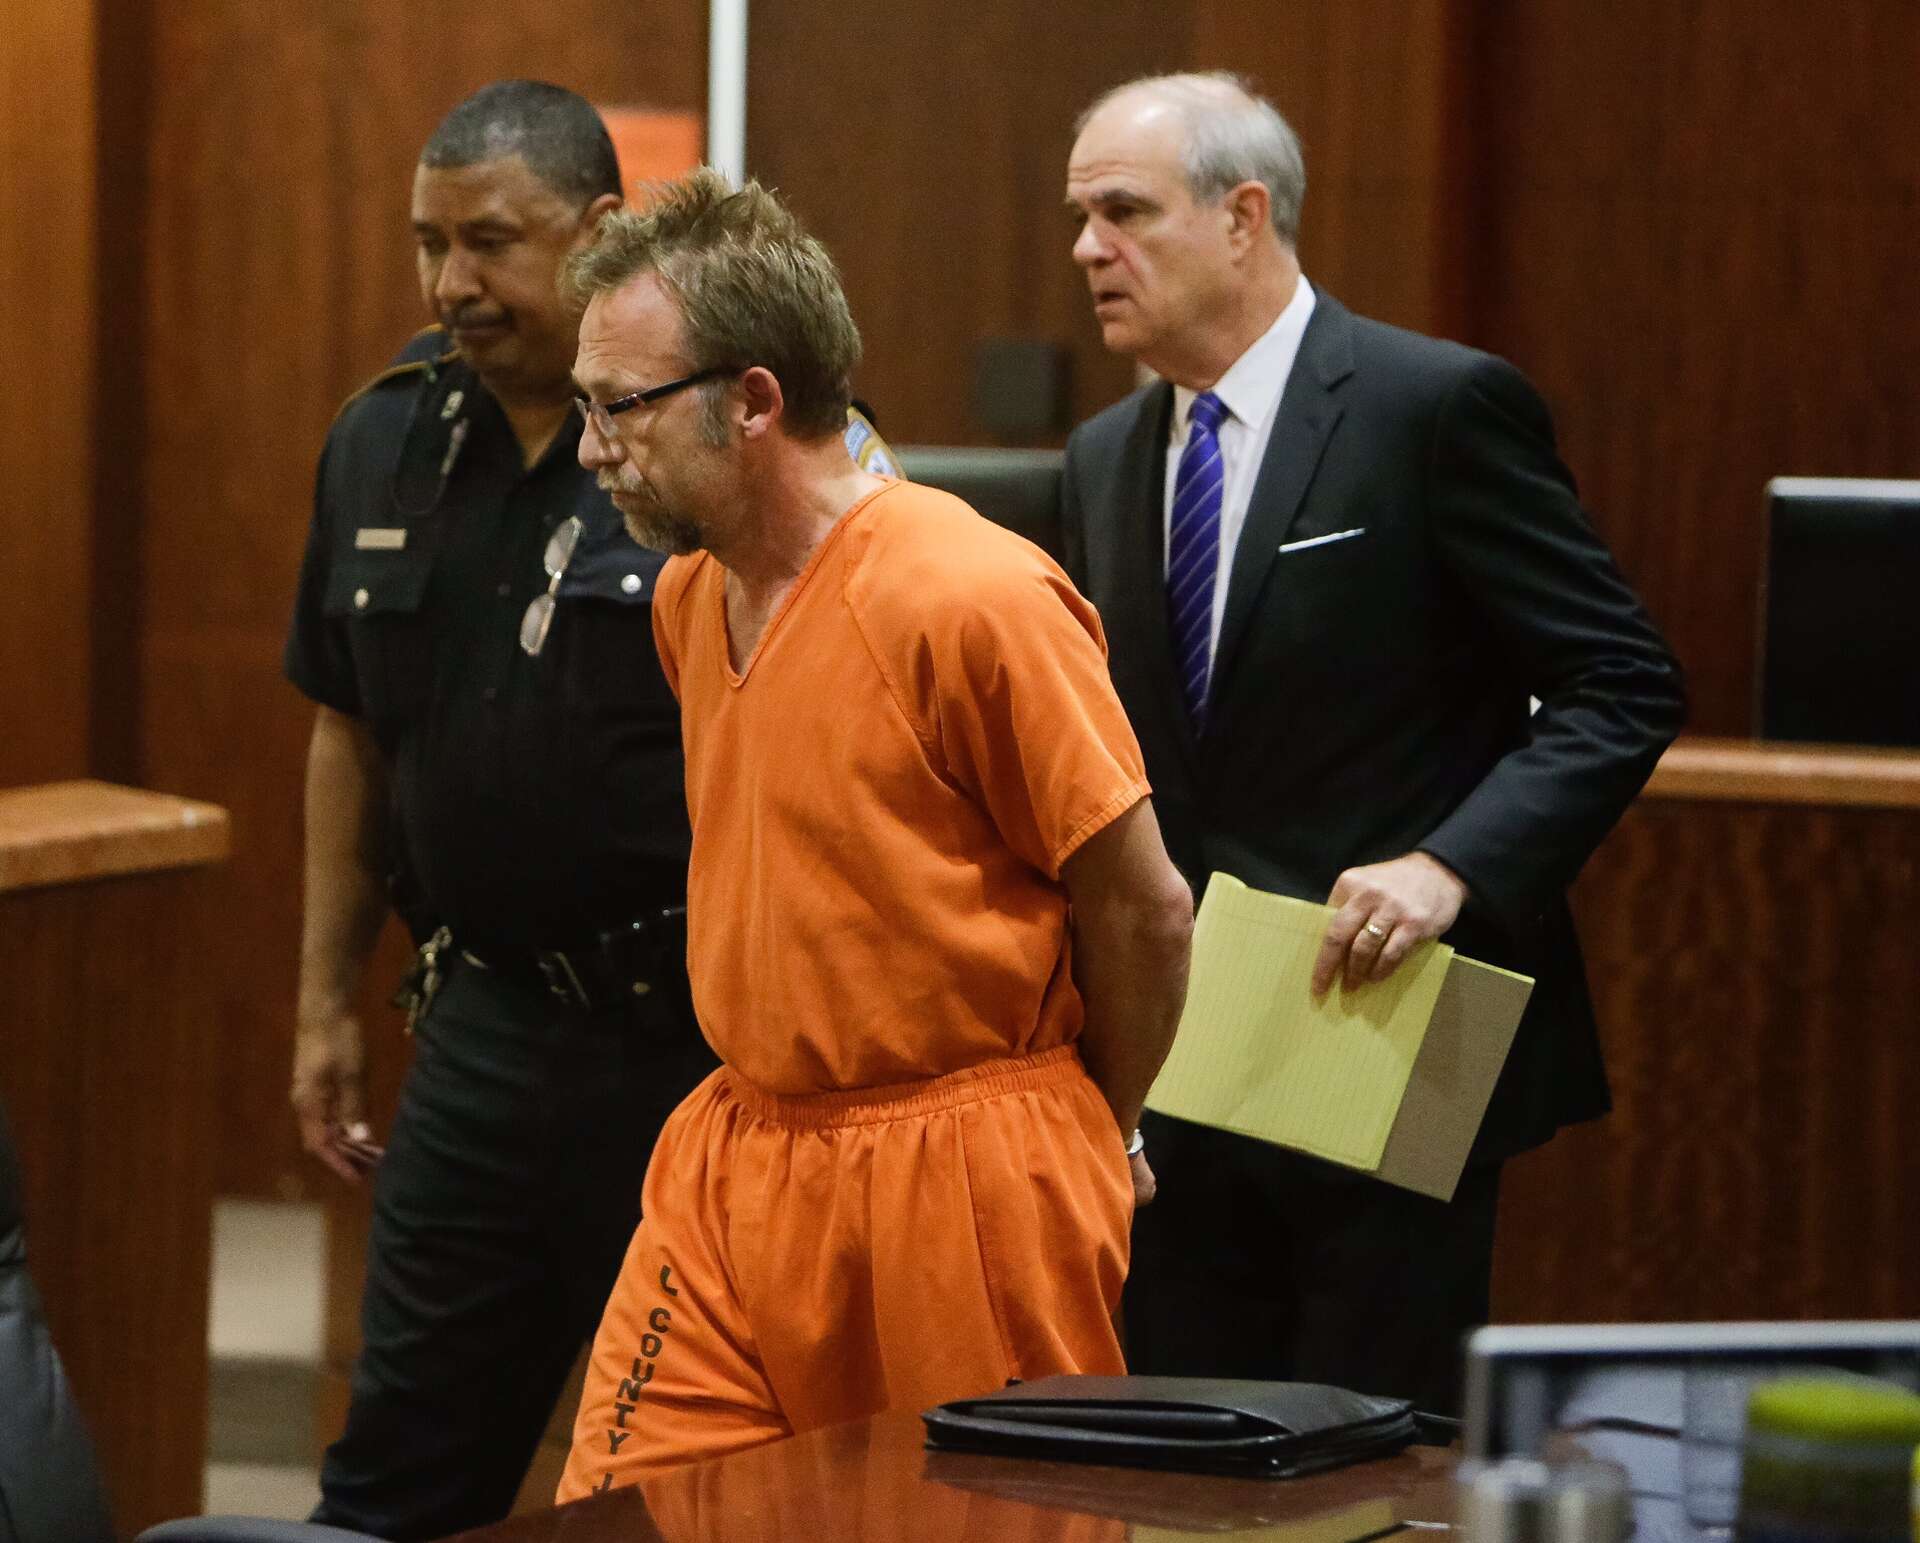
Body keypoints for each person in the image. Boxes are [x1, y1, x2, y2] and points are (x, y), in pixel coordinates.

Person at [282, 82, 892, 1538]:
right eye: (428, 242)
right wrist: (321, 1002)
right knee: (395, 1473)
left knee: (698, 1480)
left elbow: (853, 731)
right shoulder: (382, 438)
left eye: (491, 242)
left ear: (602, 228)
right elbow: (346, 728)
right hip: (485, 1027)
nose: (451, 283)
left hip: (700, 1044)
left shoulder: (729, 435)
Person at [551, 170, 1195, 1493]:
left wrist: (1099, 1125)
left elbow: (1145, 908)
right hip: (740, 1156)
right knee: (622, 1509)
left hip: (963, 1170)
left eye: (619, 407)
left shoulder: (970, 595)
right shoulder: (688, 596)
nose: (590, 449)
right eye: (584, 406)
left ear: (752, 401)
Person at [1059, 73, 1685, 1416]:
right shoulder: (1103, 456)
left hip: (1397, 1018)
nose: (1087, 249)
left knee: (1379, 1450)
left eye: (1124, 212)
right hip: (1186, 1045)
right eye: (1080, 216)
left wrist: (1452, 866)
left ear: (1243, 217)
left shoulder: (1432, 408)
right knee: (1187, 1447)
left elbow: (1622, 681)